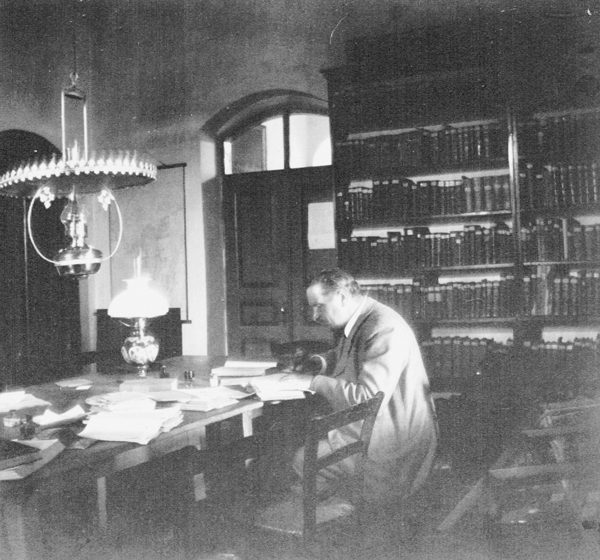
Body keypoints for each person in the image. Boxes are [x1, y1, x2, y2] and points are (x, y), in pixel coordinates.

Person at [283, 268, 438, 505]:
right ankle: (331, 511)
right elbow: (348, 353)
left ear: (342, 297)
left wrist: (311, 382)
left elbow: (366, 399)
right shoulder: (365, 316)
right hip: (382, 425)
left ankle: (326, 523)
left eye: (319, 306)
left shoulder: (384, 327)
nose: (314, 315)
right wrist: (320, 362)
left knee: (301, 458)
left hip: (394, 441)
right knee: (301, 439)